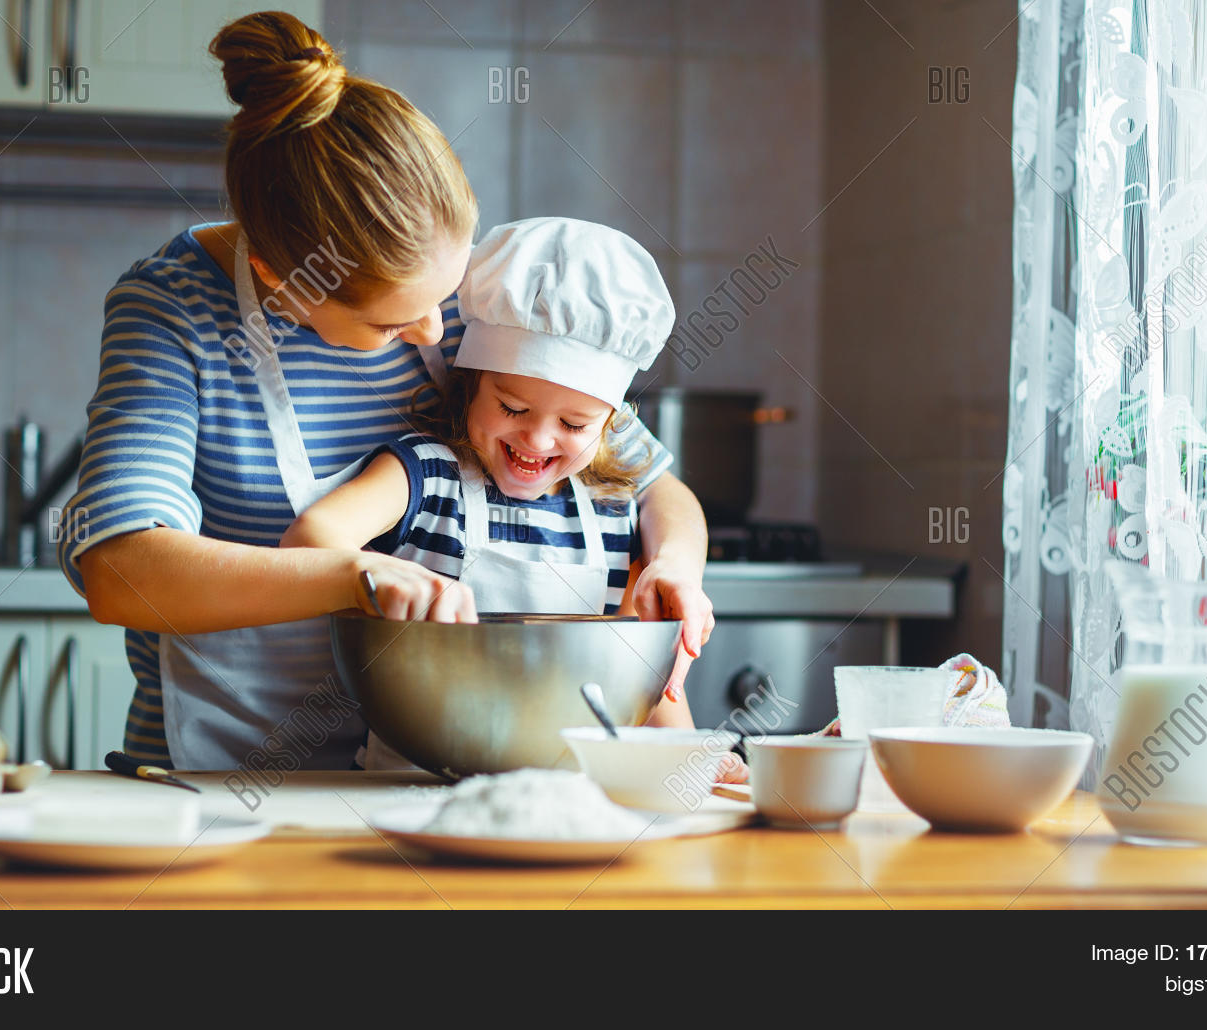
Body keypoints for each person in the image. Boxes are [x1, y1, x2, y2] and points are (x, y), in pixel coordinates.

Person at [57, 10, 714, 771]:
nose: (438, 332)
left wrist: (674, 566)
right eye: (394, 322)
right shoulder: (174, 312)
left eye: (446, 296)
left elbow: (649, 482)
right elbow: (122, 572)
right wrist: (352, 574)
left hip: (430, 782)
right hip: (229, 777)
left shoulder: (487, 304)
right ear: (282, 278)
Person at [282, 218, 746, 780]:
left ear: (612, 425)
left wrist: (674, 568)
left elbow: (668, 505)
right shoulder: (426, 474)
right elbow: (309, 539)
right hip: (410, 787)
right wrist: (375, 577)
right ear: (471, 384)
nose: (538, 439)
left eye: (575, 423)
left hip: (575, 799)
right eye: (512, 408)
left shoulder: (612, 504)